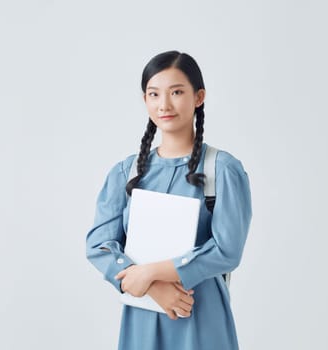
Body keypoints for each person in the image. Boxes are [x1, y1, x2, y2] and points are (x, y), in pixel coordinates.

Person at [86, 50, 252, 349]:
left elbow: (227, 250)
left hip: (199, 312)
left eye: (176, 92)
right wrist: (154, 290)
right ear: (145, 99)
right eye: (154, 94)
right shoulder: (126, 171)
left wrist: (150, 273)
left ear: (199, 97)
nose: (164, 104)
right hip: (142, 315)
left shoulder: (222, 169)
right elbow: (99, 245)